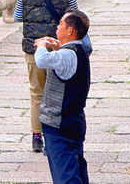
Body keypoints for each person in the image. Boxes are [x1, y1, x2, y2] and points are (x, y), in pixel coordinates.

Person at [14, 0, 78, 152]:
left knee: (37, 93)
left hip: (33, 46)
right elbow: (74, 18)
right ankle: (54, 135)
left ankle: (36, 136)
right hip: (59, 47)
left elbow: (18, 16)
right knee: (59, 91)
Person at [34, 10, 92, 184]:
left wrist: (42, 45)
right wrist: (57, 47)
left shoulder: (67, 55)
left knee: (65, 175)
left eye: (60, 24)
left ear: (70, 30)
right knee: (76, 170)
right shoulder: (80, 49)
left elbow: (41, 61)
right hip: (74, 121)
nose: (57, 27)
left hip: (59, 124)